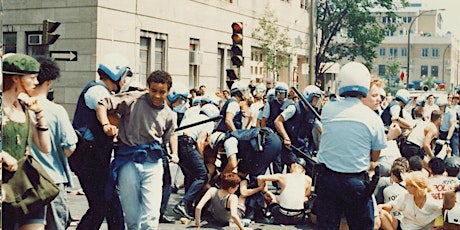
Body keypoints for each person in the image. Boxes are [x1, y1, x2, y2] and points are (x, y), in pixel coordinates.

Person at [96, 70, 179, 229]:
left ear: (168, 92)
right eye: (153, 90)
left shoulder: (169, 114)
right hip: (128, 160)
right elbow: (103, 104)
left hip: (153, 163)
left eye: (162, 92)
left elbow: (172, 133)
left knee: (151, 217)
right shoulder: (133, 99)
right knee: (132, 217)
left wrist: (174, 153)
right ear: (148, 87)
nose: (157, 95)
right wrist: (106, 125)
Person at [315, 61, 387, 229]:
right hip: (355, 183)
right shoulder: (373, 118)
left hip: (328, 180)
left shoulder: (328, 109)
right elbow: (374, 156)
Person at [72, 53, 129, 230]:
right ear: (116, 75)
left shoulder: (102, 90)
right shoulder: (97, 90)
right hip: (89, 159)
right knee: (100, 206)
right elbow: (105, 110)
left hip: (95, 159)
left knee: (110, 205)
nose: (125, 81)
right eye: (124, 76)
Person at [2, 53, 52, 230]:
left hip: (27, 185)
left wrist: (40, 115)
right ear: (15, 78)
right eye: (32, 77)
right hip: (5, 185)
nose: (36, 82)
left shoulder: (24, 107)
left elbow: (45, 147)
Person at [30, 57, 78, 230]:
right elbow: (70, 145)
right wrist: (54, 156)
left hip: (24, 182)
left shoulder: (17, 106)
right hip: (53, 180)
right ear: (49, 82)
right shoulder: (56, 111)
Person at [208, 127, 282, 221]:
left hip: (268, 143)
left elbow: (232, 163)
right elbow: (245, 165)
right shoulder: (236, 138)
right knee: (257, 175)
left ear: (219, 143)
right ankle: (258, 210)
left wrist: (223, 176)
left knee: (256, 177)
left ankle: (254, 213)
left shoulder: (229, 141)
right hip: (272, 141)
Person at [173, 104, 220, 220]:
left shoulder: (192, 117)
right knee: (202, 175)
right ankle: (183, 203)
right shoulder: (208, 121)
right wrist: (201, 159)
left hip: (177, 143)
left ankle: (187, 208)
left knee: (190, 176)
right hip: (187, 144)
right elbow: (200, 141)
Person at [274, 85, 322, 176]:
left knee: (312, 169)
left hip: (303, 146)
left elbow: (320, 128)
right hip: (289, 145)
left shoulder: (312, 113)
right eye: (315, 98)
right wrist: (285, 137)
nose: (316, 101)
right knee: (294, 167)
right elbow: (278, 121)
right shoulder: (293, 108)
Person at [257, 157, 312, 225]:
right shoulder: (308, 179)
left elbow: (260, 178)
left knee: (272, 198)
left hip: (281, 216)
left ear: (294, 165)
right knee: (304, 199)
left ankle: (264, 213)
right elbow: (306, 197)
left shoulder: (283, 177)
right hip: (298, 218)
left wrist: (265, 191)